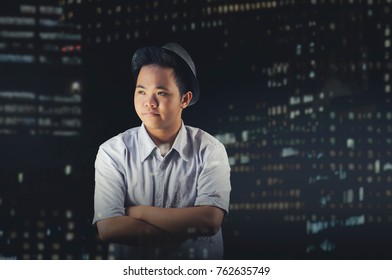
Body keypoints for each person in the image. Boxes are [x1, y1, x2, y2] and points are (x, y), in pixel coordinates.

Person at [92, 43, 231, 259]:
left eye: (161, 92)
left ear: (184, 99)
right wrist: (184, 229)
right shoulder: (113, 152)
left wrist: (138, 212)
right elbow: (109, 228)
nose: (149, 102)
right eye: (142, 92)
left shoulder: (209, 150)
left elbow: (210, 220)